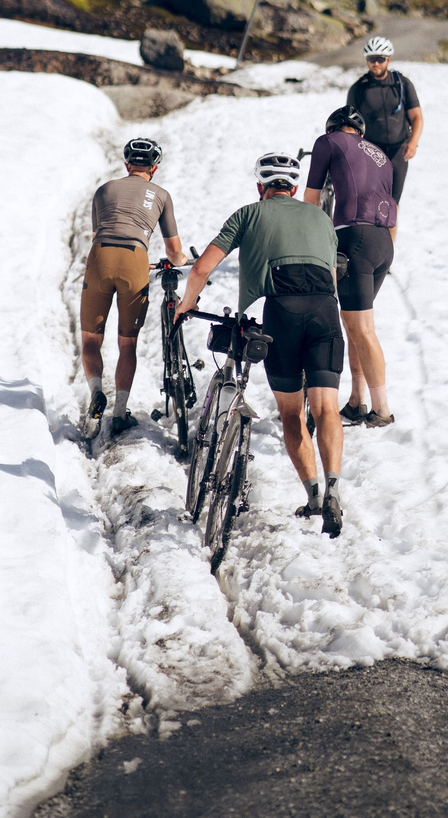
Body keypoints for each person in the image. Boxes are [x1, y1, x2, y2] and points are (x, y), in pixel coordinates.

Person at [176, 153, 345, 538]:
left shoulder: (248, 214)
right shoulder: (321, 217)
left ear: (260, 187)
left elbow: (201, 267)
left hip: (282, 313)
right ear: (295, 188)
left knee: (292, 412)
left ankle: (314, 496)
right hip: (325, 310)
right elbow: (334, 274)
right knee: (326, 408)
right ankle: (334, 488)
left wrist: (187, 304)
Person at [81, 137, 187, 437]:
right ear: (155, 168)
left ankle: (96, 392)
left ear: (127, 164)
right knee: (127, 343)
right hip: (135, 259)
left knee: (91, 339)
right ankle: (119, 413)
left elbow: (98, 233)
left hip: (100, 257)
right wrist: (181, 260)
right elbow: (174, 252)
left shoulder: (104, 190)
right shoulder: (161, 195)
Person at [304, 106, 396, 428]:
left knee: (362, 329)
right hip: (383, 243)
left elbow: (312, 200)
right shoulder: (382, 156)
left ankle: (382, 410)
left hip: (353, 237)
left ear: (332, 128)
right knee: (355, 324)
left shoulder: (328, 142)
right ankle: (357, 401)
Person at [346, 36, 423, 204]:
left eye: (380, 59)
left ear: (389, 59)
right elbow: (349, 125)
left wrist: (413, 142)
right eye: (371, 59)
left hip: (399, 152)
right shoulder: (358, 89)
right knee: (371, 203)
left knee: (393, 204)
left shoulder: (402, 84)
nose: (375, 63)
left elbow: (417, 117)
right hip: (370, 152)